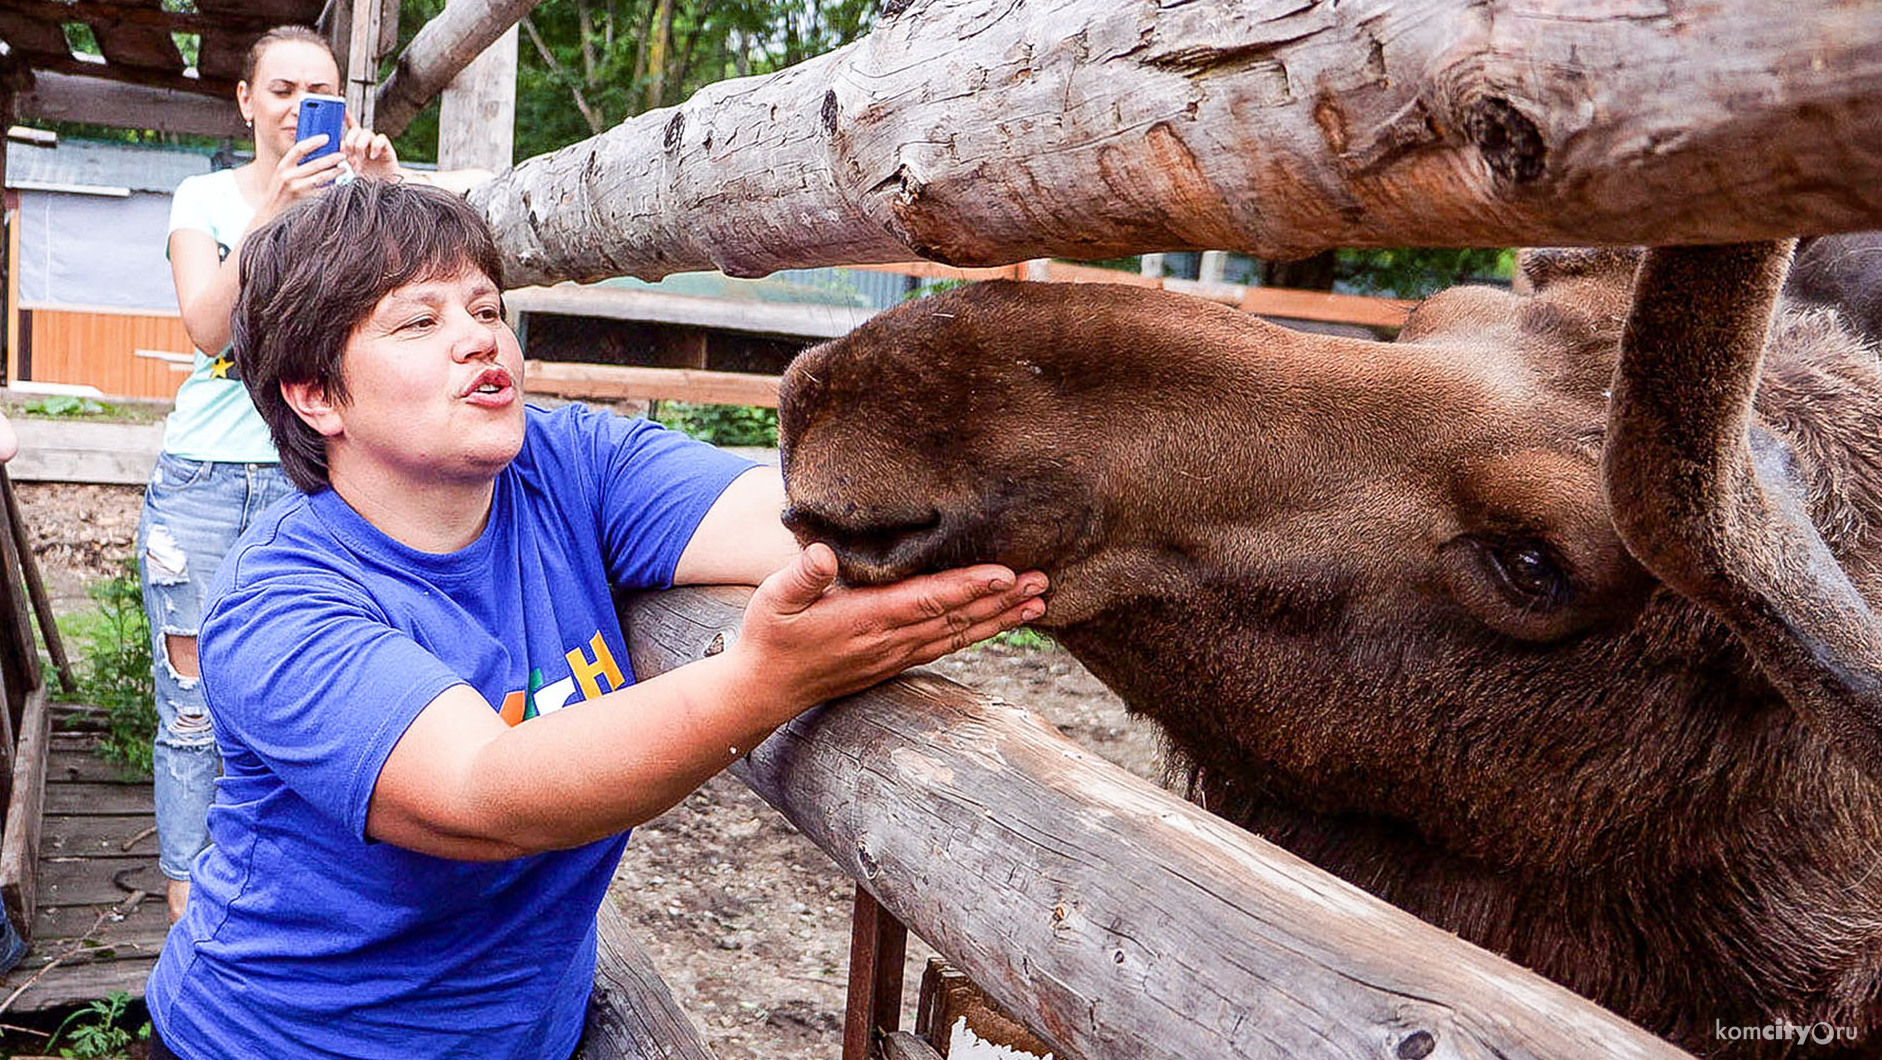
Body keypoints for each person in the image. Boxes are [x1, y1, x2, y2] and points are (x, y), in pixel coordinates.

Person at [142, 178, 1048, 1058]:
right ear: (316, 395)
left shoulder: (566, 463)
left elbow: (805, 517)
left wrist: (1013, 491)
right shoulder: (278, 604)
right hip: (281, 1039)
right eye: (419, 321)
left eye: (486, 309)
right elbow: (482, 792)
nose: (479, 341)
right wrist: (761, 680)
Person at [146, 24, 403, 923]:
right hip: (207, 482)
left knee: (304, 701)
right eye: (282, 89)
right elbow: (207, 329)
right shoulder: (206, 196)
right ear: (247, 101)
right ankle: (190, 916)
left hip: (316, 484)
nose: (299, 108)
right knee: (192, 711)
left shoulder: (345, 206)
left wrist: (382, 199)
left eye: (320, 92)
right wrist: (269, 218)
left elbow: (390, 329)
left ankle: (287, 905)